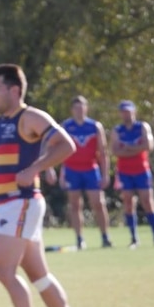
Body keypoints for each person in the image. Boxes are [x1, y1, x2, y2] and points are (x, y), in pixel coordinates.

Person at [0, 63, 93, 307]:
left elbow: (66, 145)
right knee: (39, 275)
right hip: (9, 203)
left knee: (4, 271)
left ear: (14, 90)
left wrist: (36, 168)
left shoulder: (29, 116)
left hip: (21, 202)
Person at [110, 100, 154, 248]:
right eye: (123, 111)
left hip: (142, 170)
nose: (126, 114)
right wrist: (136, 148)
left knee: (148, 201)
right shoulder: (117, 130)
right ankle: (134, 239)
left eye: (128, 111)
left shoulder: (142, 127)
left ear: (134, 111)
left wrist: (129, 148)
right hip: (124, 171)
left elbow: (149, 146)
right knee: (128, 203)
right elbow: (115, 151)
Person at [59, 95, 112, 249]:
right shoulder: (66, 126)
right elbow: (59, 150)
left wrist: (105, 174)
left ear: (86, 108)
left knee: (98, 203)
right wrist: (62, 173)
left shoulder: (95, 126)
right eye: (76, 107)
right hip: (72, 170)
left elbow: (103, 152)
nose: (79, 110)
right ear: (72, 110)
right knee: (75, 205)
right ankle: (79, 239)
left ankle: (105, 236)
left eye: (82, 107)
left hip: (91, 169)